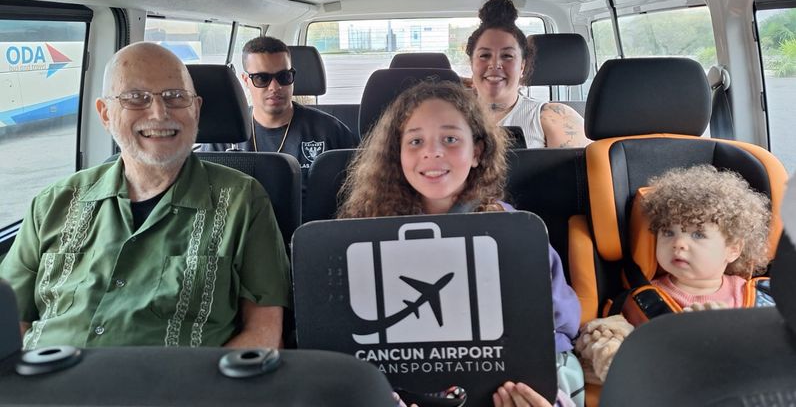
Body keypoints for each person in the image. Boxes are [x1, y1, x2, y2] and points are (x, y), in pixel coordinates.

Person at [0, 42, 291, 350]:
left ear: (196, 108)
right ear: (105, 114)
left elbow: (265, 334)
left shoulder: (243, 201)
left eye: (176, 97)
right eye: (135, 98)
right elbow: (10, 321)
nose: (159, 112)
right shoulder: (52, 204)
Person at [339, 81, 582, 407]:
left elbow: (559, 322)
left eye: (450, 139)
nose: (432, 151)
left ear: (477, 152)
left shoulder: (513, 231)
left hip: (501, 385)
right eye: (415, 141)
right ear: (397, 154)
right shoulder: (359, 237)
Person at [575, 165, 771, 383]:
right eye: (668, 232)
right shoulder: (642, 302)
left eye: (697, 234)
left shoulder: (764, 296)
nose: (678, 244)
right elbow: (611, 344)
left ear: (733, 249)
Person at [201, 36, 356, 190]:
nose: (275, 87)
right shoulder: (225, 137)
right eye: (262, 78)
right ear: (246, 80)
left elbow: (357, 193)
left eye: (284, 77)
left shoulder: (330, 131)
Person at [465, 0, 589, 149]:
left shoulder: (553, 118)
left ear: (522, 66)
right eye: (484, 55)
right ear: (472, 64)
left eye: (507, 56)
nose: (495, 64)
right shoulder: (447, 118)